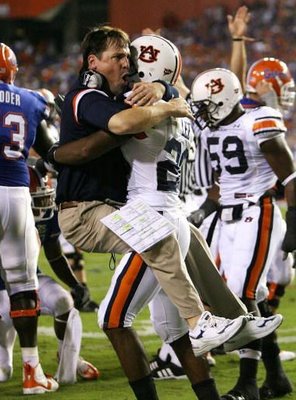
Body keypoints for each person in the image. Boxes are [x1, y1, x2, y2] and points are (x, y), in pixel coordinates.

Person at [190, 67, 296, 400]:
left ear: (222, 99)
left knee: (239, 294)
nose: (203, 112)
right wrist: (205, 211)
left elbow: (290, 177)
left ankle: (247, 382)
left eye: (207, 104)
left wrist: (294, 220)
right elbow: (221, 184)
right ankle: (276, 376)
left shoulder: (259, 120)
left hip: (258, 210)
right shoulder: (211, 130)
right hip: (227, 217)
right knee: (249, 295)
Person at [0, 42, 59, 395]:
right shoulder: (31, 99)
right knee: (23, 285)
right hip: (16, 195)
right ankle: (31, 372)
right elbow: (52, 152)